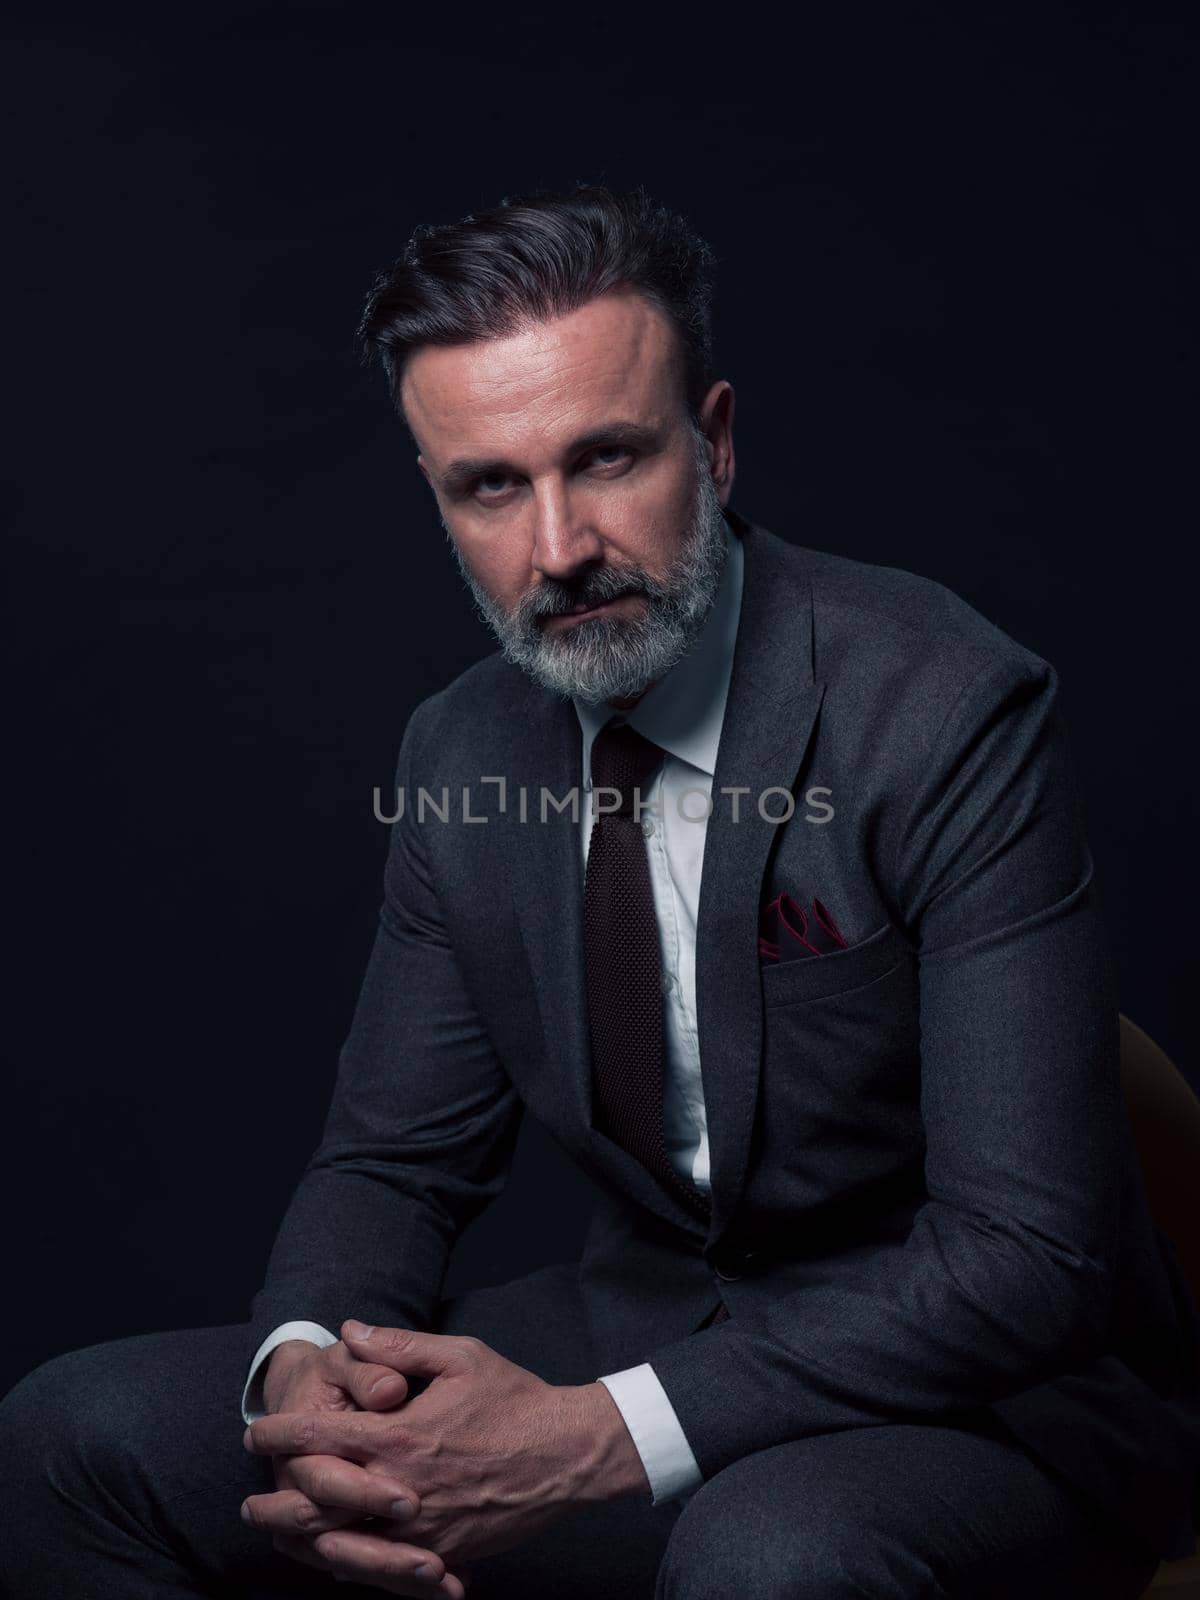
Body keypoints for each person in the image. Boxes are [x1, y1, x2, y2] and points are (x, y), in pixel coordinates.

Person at [1, 182, 1196, 1600]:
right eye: (490, 487)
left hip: (986, 1401)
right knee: (76, 1440)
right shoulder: (460, 750)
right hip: (643, 1327)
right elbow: (397, 1161)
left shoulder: (945, 710)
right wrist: (309, 1371)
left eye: (609, 458)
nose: (557, 550)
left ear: (719, 442)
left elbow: (1028, 1265)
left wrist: (590, 1437)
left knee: (773, 1558)